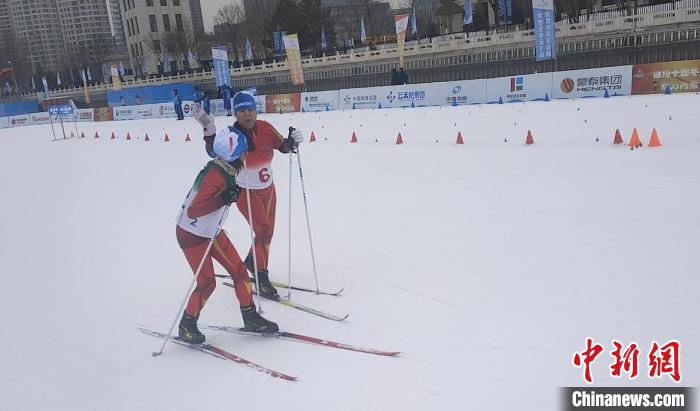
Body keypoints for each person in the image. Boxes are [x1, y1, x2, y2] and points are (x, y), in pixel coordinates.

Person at [177, 102, 280, 344]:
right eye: (245, 152)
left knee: (240, 273)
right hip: (192, 236)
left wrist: (208, 127)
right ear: (238, 156)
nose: (247, 155)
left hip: (212, 231)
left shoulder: (225, 166)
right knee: (207, 283)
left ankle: (250, 317)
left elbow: (215, 148)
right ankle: (187, 324)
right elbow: (194, 211)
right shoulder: (216, 176)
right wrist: (223, 198)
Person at [203, 90, 304, 299]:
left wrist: (292, 141)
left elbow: (283, 147)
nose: (247, 115)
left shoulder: (266, 128)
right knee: (263, 230)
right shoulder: (232, 135)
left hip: (268, 189)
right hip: (244, 191)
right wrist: (208, 129)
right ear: (235, 114)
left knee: (267, 233)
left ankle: (252, 260)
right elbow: (213, 151)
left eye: (250, 110)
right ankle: (261, 276)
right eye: (242, 111)